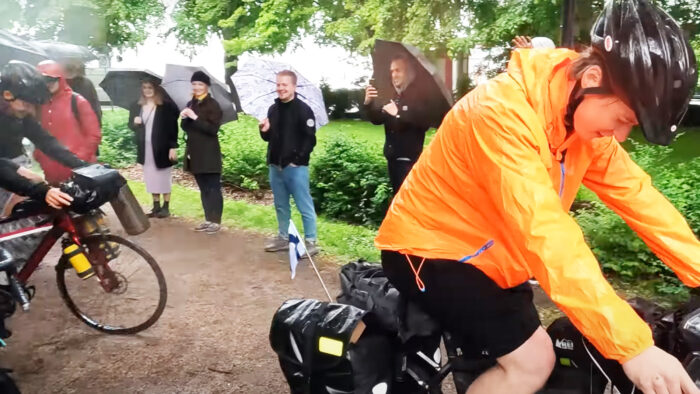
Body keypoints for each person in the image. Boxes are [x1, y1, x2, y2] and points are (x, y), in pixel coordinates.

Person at [374, 1, 700, 393]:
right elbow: (545, 232)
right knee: (533, 362)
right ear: (592, 77)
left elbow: (640, 199)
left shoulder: (577, 118)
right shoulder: (501, 113)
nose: (620, 136)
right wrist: (633, 348)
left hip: (494, 254)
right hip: (428, 249)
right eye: (623, 119)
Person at [0, 60, 85, 216]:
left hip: (9, 163)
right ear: (7, 95)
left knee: (35, 197)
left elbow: (46, 141)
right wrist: (41, 191)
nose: (30, 110)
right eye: (26, 104)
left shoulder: (18, 114)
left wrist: (82, 165)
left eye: (33, 105)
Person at [259, 70, 319, 256]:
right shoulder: (273, 109)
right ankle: (283, 237)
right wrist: (264, 130)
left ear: (293, 86)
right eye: (278, 84)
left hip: (296, 168)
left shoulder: (303, 110)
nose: (280, 88)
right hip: (275, 165)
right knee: (281, 204)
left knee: (304, 204)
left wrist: (297, 160)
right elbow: (268, 138)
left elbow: (310, 140)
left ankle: (311, 241)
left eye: (284, 84)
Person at [364, 53, 434, 194]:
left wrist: (398, 114)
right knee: (397, 197)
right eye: (392, 71)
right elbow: (377, 119)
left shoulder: (418, 98)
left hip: (408, 160)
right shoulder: (395, 97)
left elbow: (423, 123)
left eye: (398, 70)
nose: (394, 75)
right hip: (393, 158)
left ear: (408, 73)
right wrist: (368, 102)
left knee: (406, 199)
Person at [35, 60, 100, 185]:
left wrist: (79, 158)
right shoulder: (40, 104)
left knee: (83, 203)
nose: (48, 84)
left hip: (78, 170)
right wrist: (39, 154)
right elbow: (38, 132)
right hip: (52, 171)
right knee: (57, 203)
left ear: (60, 78)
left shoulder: (77, 101)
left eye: (52, 79)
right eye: (44, 80)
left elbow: (94, 134)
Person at [180, 71, 223, 234]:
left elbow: (212, 129)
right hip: (195, 152)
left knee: (213, 187)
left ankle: (216, 221)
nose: (197, 87)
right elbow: (186, 128)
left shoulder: (213, 105)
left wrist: (195, 117)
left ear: (206, 86)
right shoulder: (191, 103)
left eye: (200, 84)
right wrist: (184, 117)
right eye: (194, 84)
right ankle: (208, 219)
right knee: (203, 188)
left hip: (209, 153)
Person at [128, 79, 179, 218]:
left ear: (156, 89)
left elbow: (173, 128)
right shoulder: (136, 106)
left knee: (163, 176)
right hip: (146, 148)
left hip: (163, 147)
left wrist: (173, 146)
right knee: (151, 177)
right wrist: (135, 123)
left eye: (150, 87)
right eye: (144, 87)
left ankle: (166, 207)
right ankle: (156, 206)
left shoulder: (165, 106)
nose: (147, 90)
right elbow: (131, 127)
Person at [62, 59, 102, 126]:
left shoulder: (86, 83)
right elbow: (96, 107)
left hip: (81, 124)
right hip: (84, 124)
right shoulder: (87, 82)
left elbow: (95, 106)